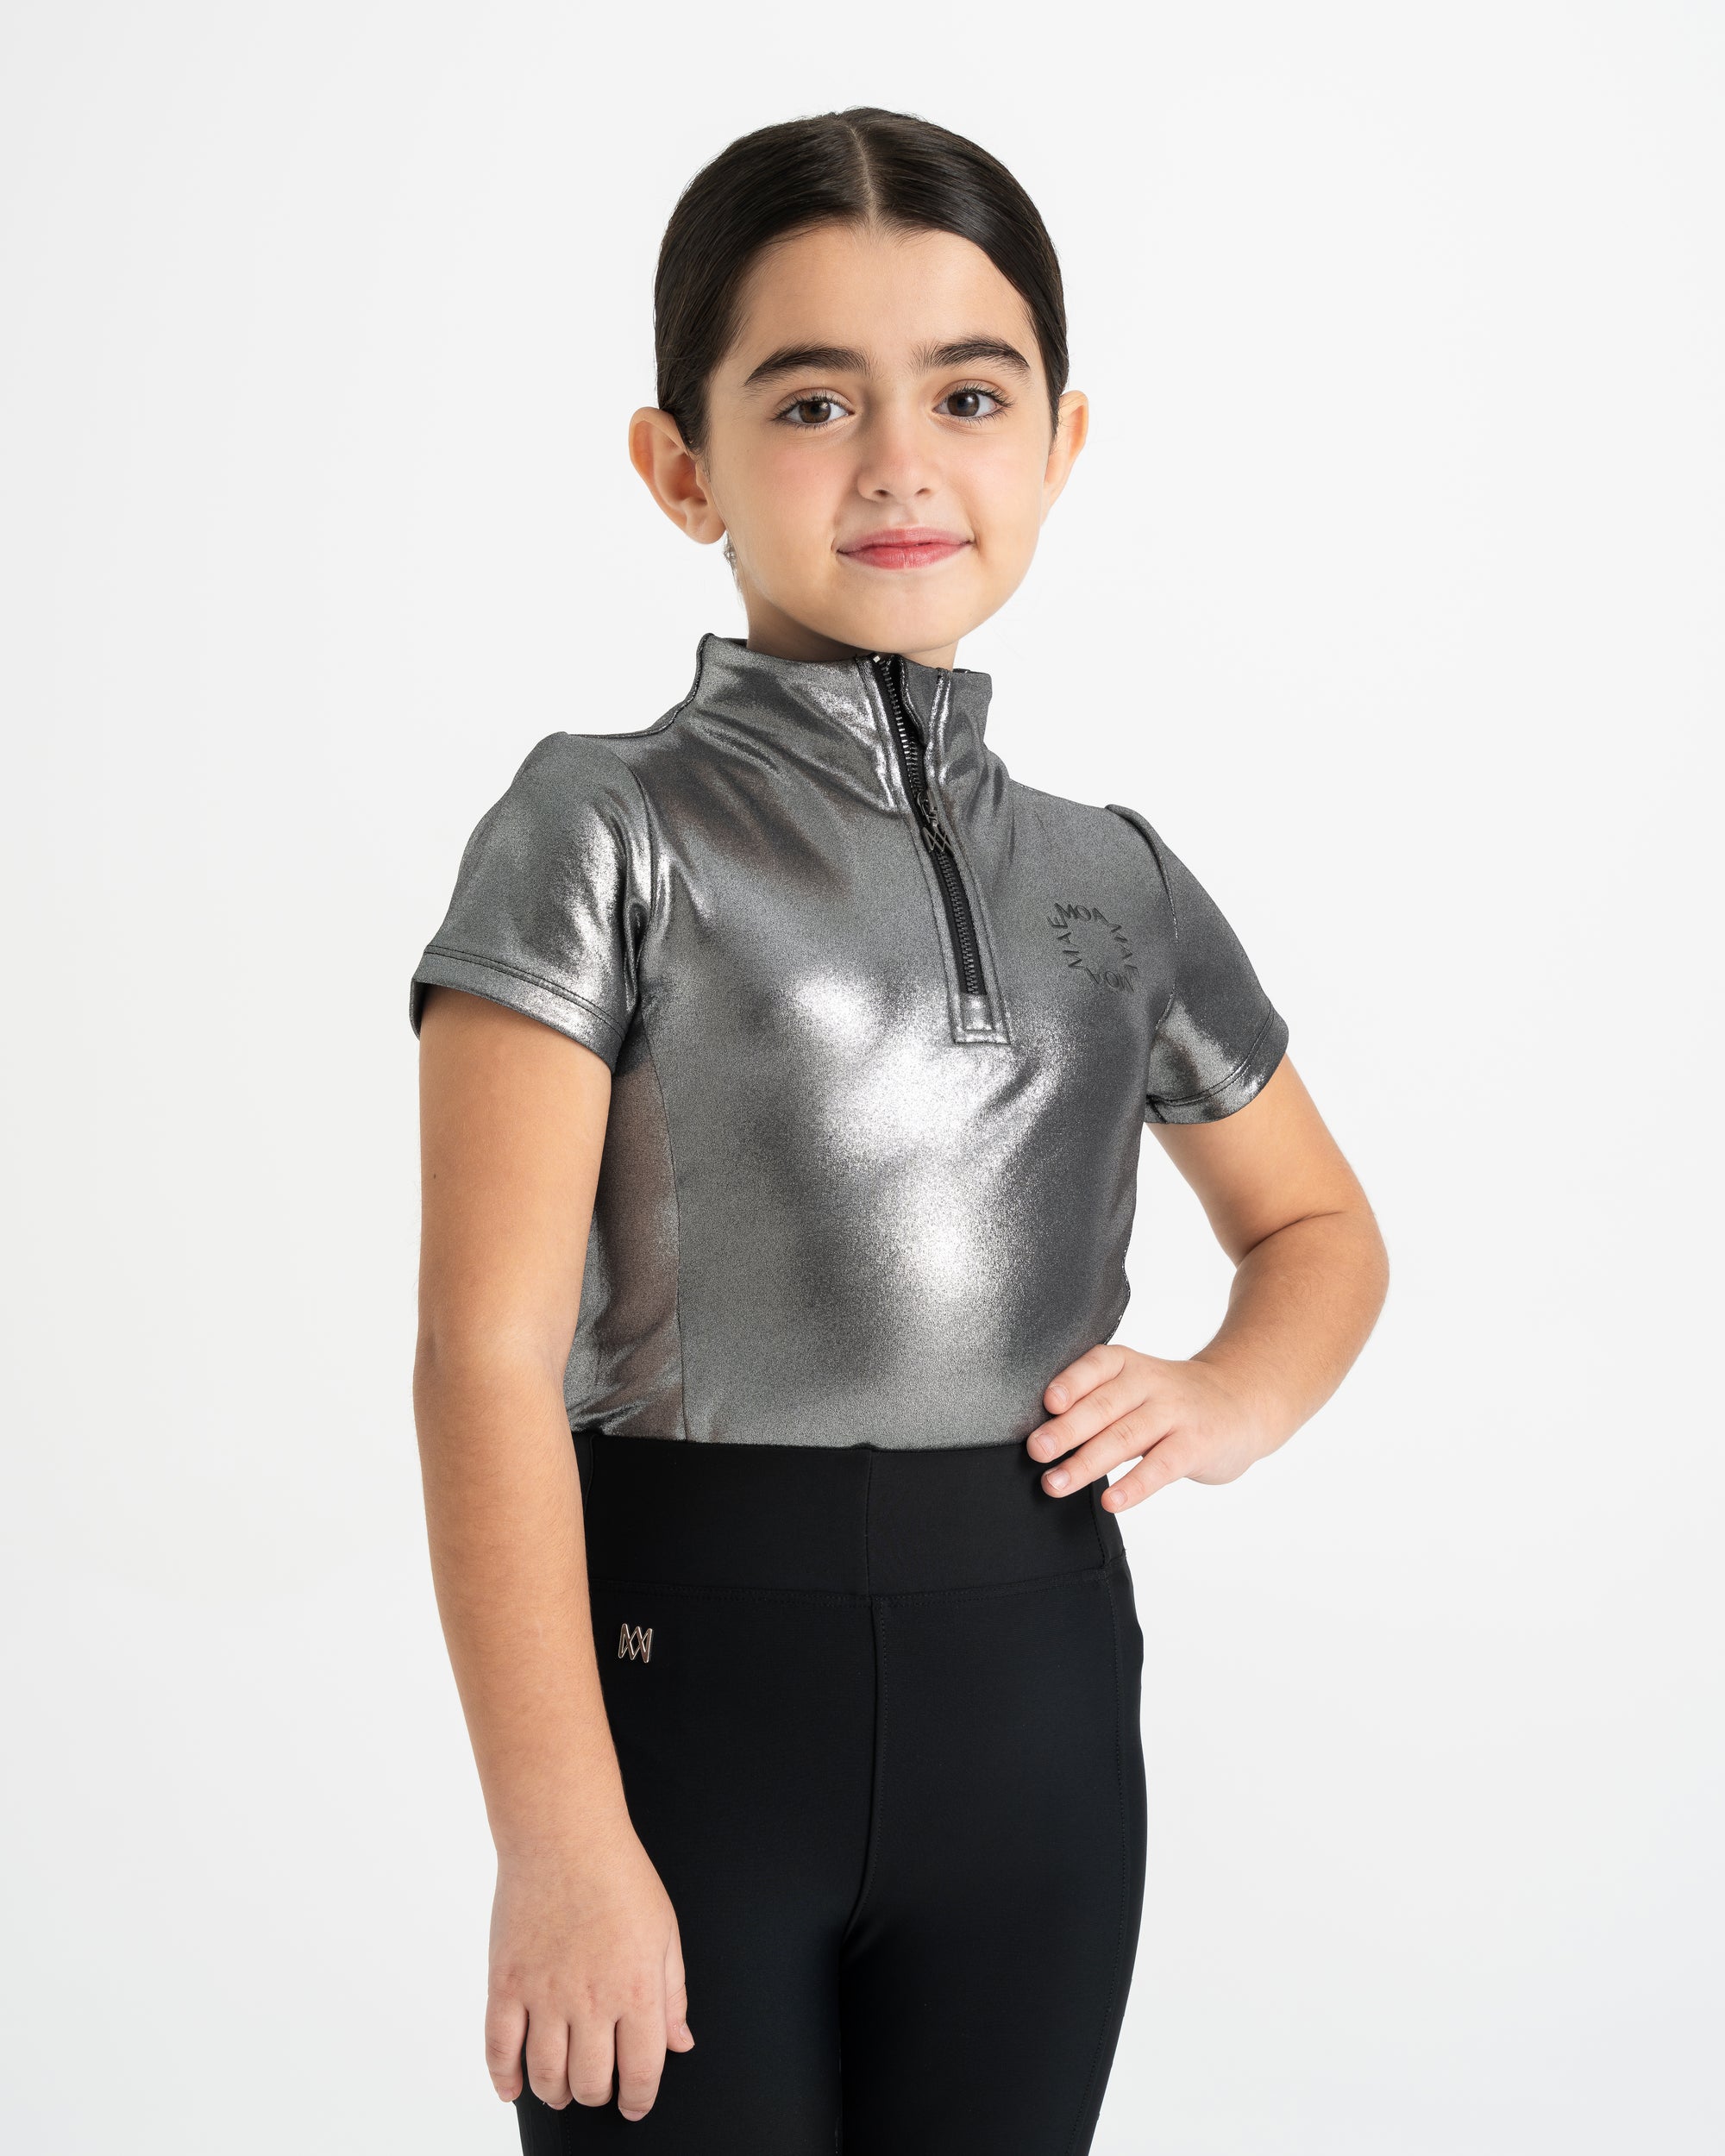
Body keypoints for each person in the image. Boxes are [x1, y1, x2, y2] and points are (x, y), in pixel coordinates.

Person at [409, 106, 1389, 2154]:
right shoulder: (601, 828)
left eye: (966, 392)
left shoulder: (1112, 876)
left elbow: (1315, 1227)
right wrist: (557, 1835)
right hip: (686, 1707)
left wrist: (1228, 1393)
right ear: (679, 465)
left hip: (1038, 1704)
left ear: (1060, 440)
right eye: (808, 401)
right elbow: (480, 1357)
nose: (897, 461)